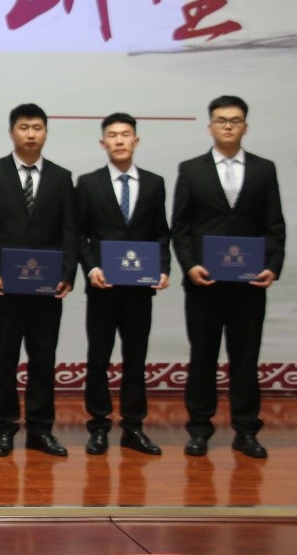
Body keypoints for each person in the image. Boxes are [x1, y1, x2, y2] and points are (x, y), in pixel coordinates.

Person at [171, 95, 285, 459]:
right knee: (202, 357)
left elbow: (274, 224)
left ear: (245, 127)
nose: (228, 126)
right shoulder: (192, 170)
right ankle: (199, 430)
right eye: (221, 120)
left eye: (235, 121)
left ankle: (246, 431)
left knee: (245, 359)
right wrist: (190, 265)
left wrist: (273, 265)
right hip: (204, 283)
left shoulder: (264, 169)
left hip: (249, 284)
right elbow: (180, 227)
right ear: (210, 127)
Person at [0, 103, 78, 457]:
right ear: (11, 132)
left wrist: (67, 274)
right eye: (23, 127)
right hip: (4, 286)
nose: (30, 134)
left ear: (46, 132)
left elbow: (70, 231)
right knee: (4, 359)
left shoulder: (61, 177)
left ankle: (40, 430)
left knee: (43, 360)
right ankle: (3, 428)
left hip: (47, 288)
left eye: (37, 128)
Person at [75, 112, 169, 456]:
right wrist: (91, 269)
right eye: (112, 135)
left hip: (139, 289)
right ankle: (98, 426)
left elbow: (161, 233)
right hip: (103, 288)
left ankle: (133, 427)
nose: (119, 140)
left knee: (135, 358)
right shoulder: (88, 183)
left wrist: (163, 268)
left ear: (136, 141)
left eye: (125, 134)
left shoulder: (154, 183)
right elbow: (79, 234)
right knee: (98, 357)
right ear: (103, 143)